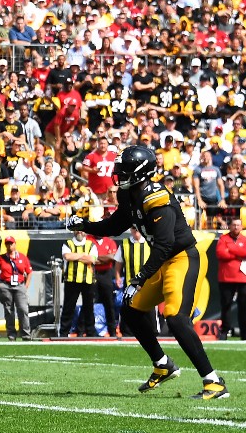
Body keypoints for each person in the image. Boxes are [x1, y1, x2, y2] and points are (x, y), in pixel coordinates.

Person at [67, 146, 229, 399]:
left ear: (139, 173)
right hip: (164, 260)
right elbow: (116, 224)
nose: (117, 174)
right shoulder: (129, 194)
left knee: (175, 317)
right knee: (130, 310)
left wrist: (139, 278)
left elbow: (164, 244)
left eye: (123, 170)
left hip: (182, 258)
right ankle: (162, 364)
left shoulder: (156, 197)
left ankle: (214, 381)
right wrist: (85, 225)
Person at [59, 228, 97, 337]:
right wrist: (83, 255)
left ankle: (90, 333)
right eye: (77, 230)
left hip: (88, 280)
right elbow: (67, 256)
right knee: (68, 308)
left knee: (89, 308)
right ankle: (63, 333)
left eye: (81, 230)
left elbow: (92, 259)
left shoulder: (91, 244)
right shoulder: (67, 243)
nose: (79, 232)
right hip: (72, 280)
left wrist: (76, 256)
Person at [0, 236, 33, 340]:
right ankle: (11, 335)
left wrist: (26, 285)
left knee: (23, 309)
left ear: (15, 244)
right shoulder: (1, 258)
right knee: (9, 311)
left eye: (11, 243)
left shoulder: (22, 257)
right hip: (5, 285)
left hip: (19, 285)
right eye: (7, 244)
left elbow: (29, 272)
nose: (9, 245)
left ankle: (25, 334)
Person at [215, 218, 246, 340]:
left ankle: (244, 333)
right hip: (226, 278)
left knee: (244, 307)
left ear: (242, 226)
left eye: (238, 225)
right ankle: (224, 331)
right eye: (234, 225)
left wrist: (231, 249)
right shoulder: (223, 239)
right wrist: (239, 253)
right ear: (230, 226)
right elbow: (220, 253)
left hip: (243, 278)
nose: (236, 227)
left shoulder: (244, 239)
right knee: (226, 305)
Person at [91, 234, 119, 337]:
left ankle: (112, 330)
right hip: (92, 272)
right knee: (89, 302)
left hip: (106, 273)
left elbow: (113, 257)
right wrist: (104, 258)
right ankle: (88, 330)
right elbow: (87, 257)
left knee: (109, 303)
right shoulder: (89, 239)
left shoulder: (110, 241)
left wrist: (95, 258)